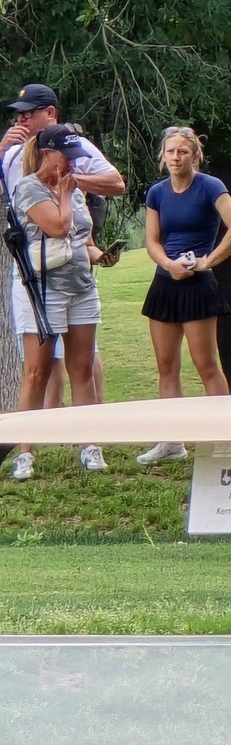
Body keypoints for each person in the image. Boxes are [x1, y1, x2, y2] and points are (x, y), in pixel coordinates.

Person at [0, 84, 125, 481]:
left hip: (80, 286)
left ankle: (90, 445)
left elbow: (81, 239)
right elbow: (56, 228)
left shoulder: (74, 185)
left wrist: (99, 254)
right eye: (66, 156)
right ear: (48, 153)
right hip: (43, 288)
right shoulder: (29, 187)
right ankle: (26, 451)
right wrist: (69, 194)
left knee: (82, 366)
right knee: (37, 370)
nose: (72, 163)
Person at [137, 126, 231, 465]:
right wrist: (168, 264)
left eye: (182, 152)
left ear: (194, 156)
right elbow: (152, 241)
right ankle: (171, 442)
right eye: (170, 152)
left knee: (207, 365)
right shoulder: (157, 192)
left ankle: (223, 440)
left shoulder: (210, 187)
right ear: (163, 155)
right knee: (166, 367)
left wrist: (207, 262)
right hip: (165, 283)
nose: (175, 157)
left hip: (198, 286)